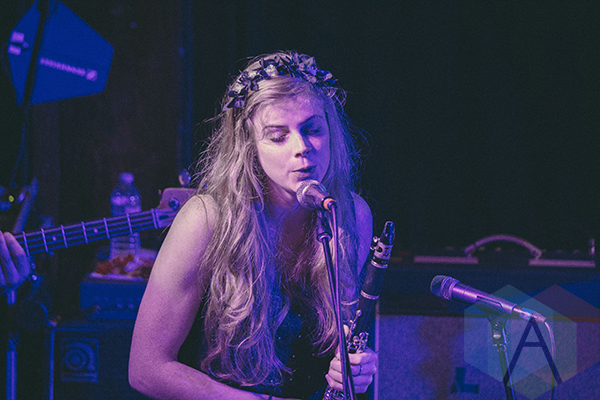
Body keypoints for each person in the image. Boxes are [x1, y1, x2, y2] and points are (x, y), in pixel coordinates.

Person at [129, 50, 377, 400]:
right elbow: (145, 369)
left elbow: (341, 348)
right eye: (278, 136)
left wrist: (354, 368)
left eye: (313, 130)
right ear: (249, 145)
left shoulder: (351, 214)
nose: (302, 147)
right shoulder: (204, 220)